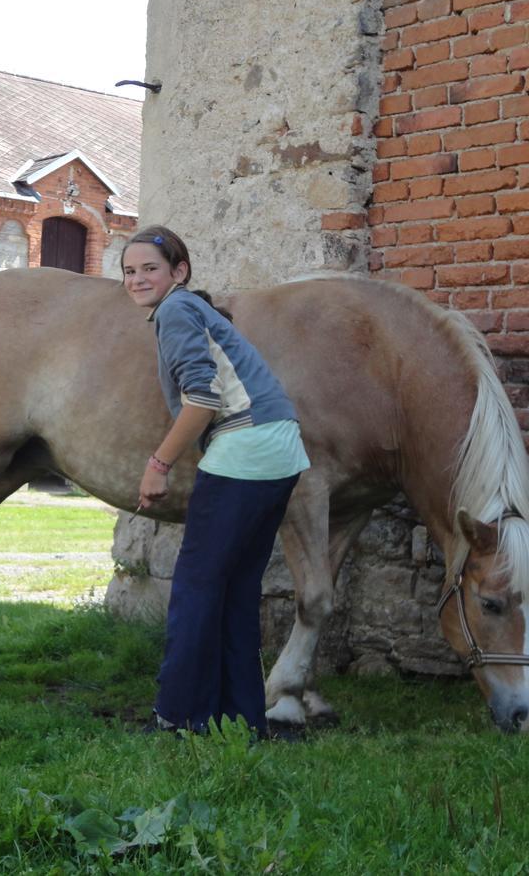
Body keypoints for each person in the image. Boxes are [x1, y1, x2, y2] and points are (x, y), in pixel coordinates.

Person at [121, 225, 310, 738]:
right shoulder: (191, 308)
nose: (137, 279)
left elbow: (201, 400)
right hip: (280, 445)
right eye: (129, 271)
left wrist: (157, 465)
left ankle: (179, 715)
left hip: (246, 447)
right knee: (234, 589)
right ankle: (239, 718)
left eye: (150, 269)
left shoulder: (177, 310)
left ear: (178, 272)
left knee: (197, 587)